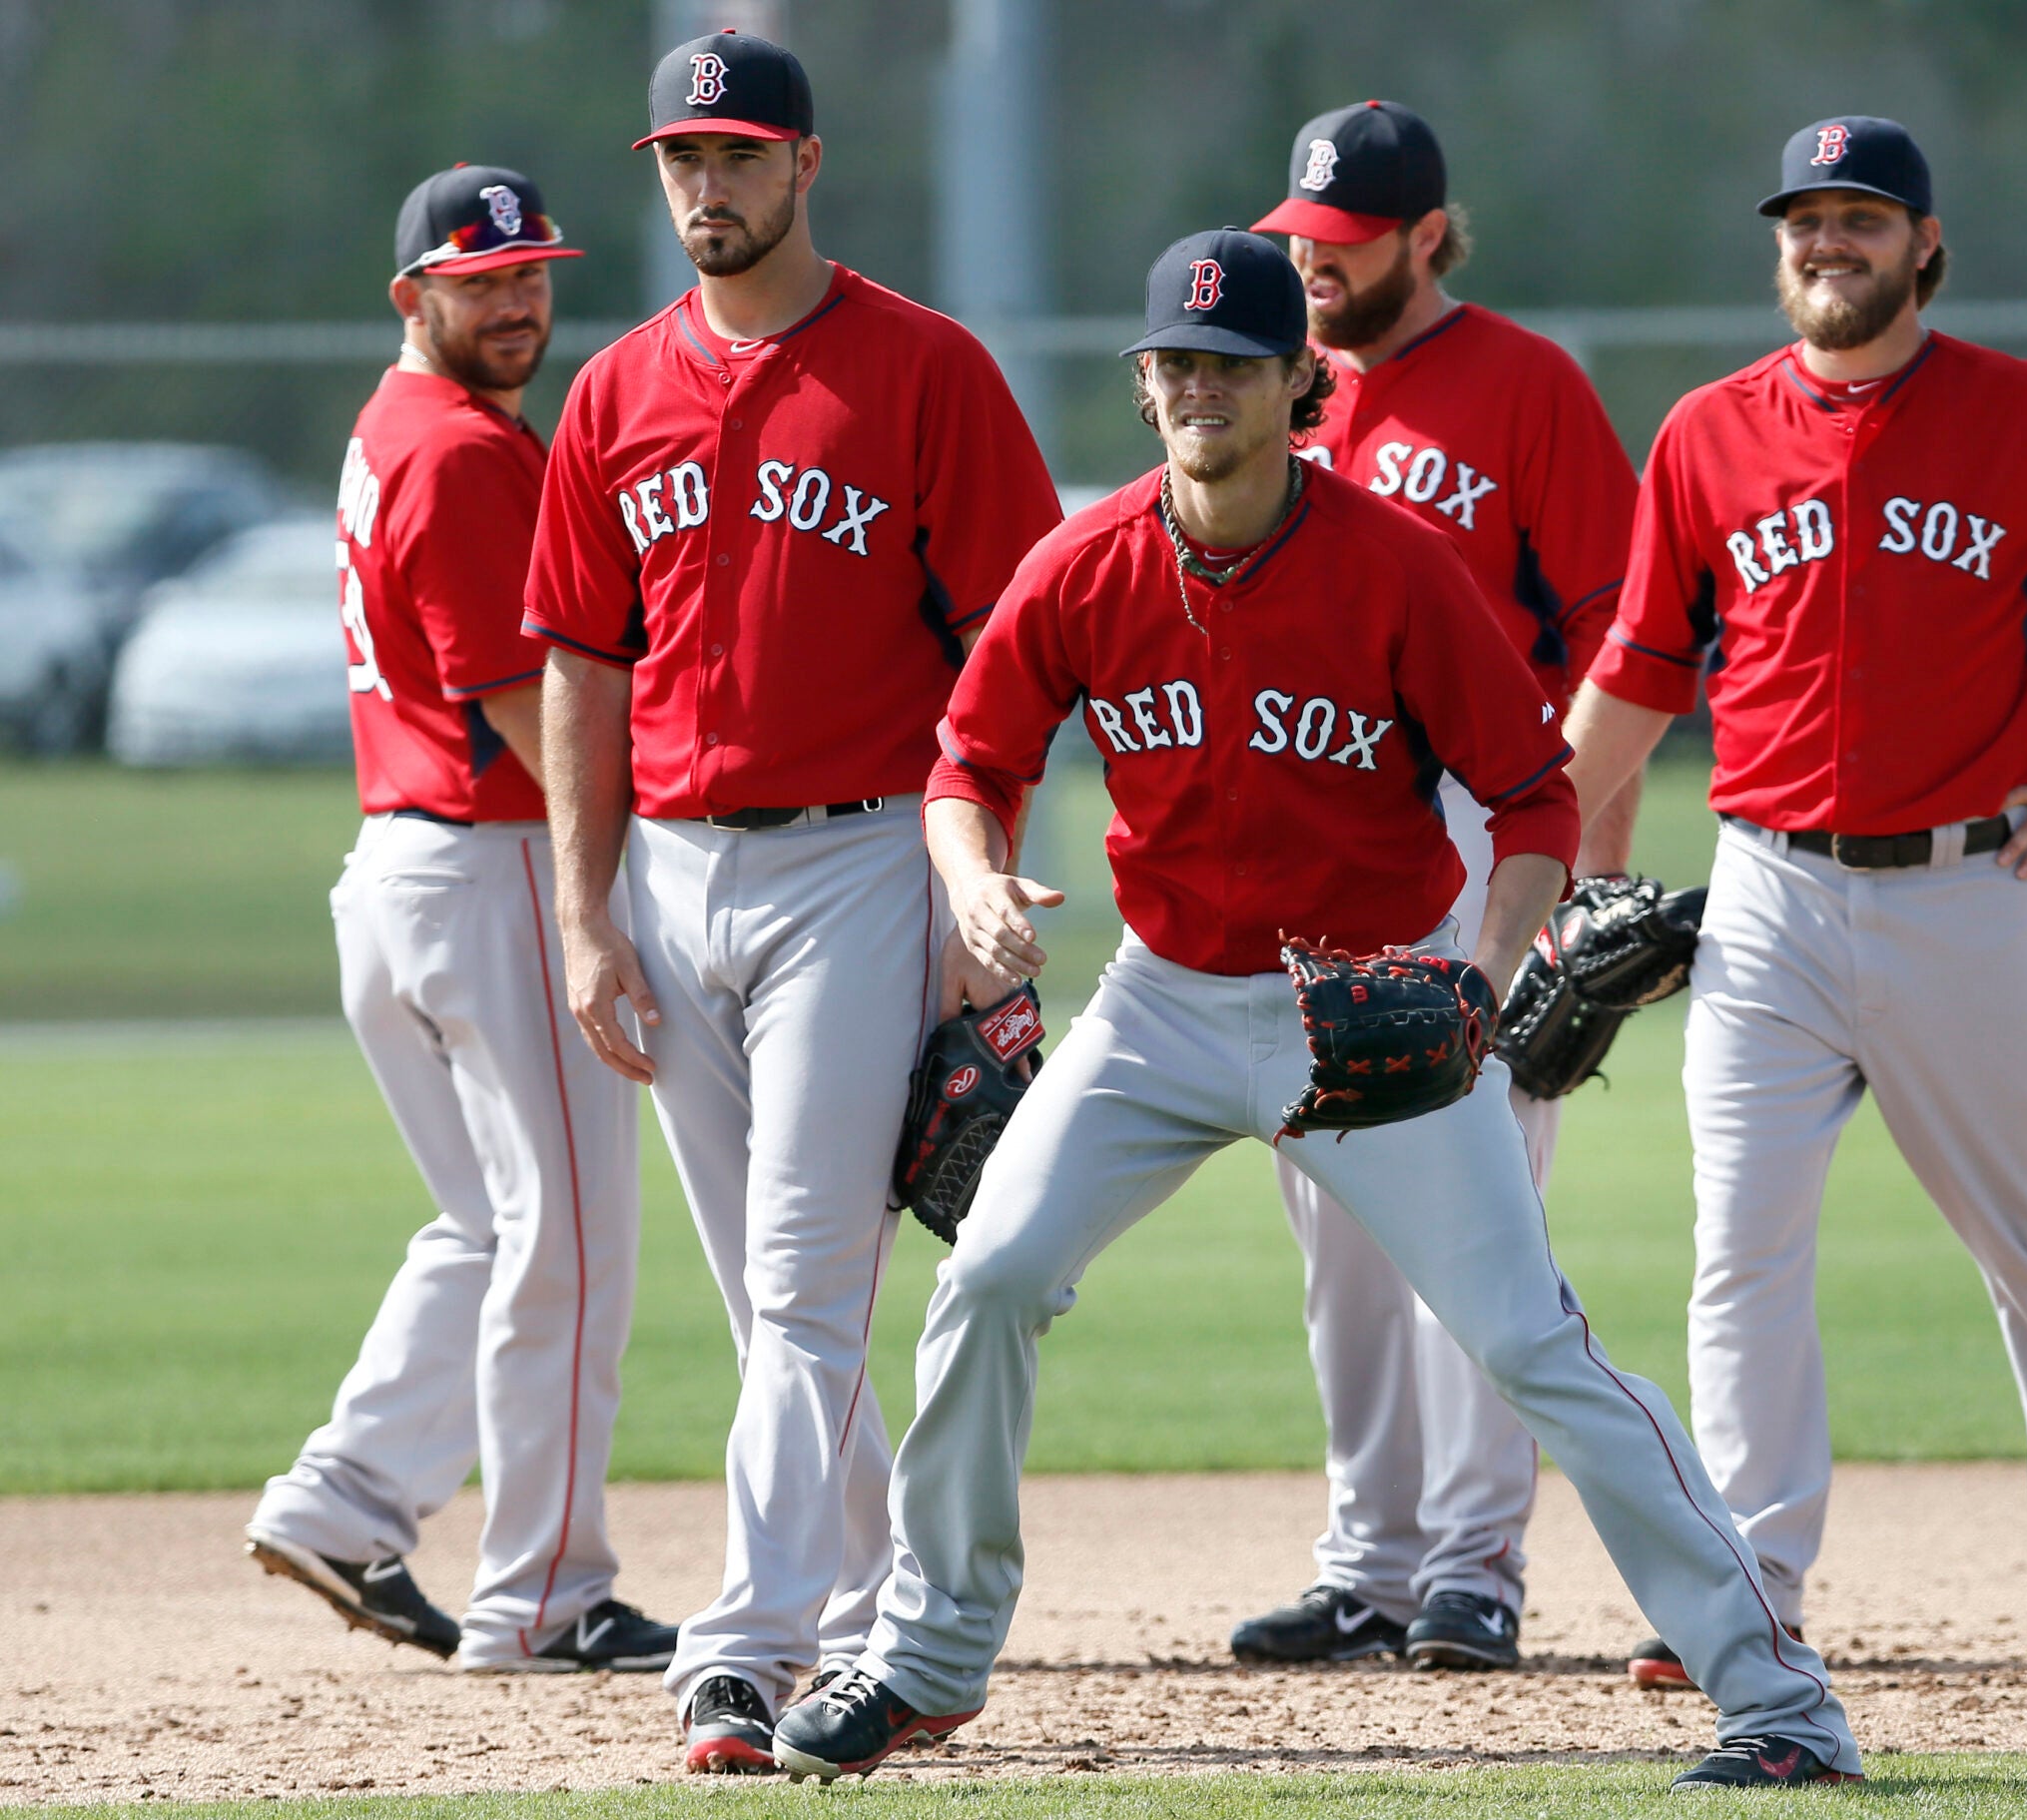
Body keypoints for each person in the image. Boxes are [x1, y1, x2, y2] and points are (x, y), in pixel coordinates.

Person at [766, 229, 1863, 1794]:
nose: (1202, 386)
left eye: (1237, 364)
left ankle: (1777, 1700)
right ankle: (929, 1658)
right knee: (993, 1274)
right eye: (1178, 363)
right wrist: (973, 881)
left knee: (1527, 1343)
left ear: (1302, 389)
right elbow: (970, 764)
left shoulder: (1394, 565)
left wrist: (1476, 983)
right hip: (1158, 1003)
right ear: (1145, 386)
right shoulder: (1086, 565)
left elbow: (1535, 800)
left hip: (1368, 993)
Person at [1563, 116, 2027, 1689]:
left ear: (1926, 245)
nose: (1829, 243)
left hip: (1970, 889)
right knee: (1741, 1249)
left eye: (1863, 219)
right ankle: (1747, 1582)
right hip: (1766, 894)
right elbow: (1635, 682)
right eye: (1806, 219)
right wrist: (1555, 871)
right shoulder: (1707, 433)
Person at [522, 32, 1057, 1774]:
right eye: (682, 157)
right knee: (769, 1303)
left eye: (738, 154)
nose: (707, 185)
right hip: (672, 871)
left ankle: (738, 1653)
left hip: (857, 855)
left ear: (806, 166)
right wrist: (588, 911)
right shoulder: (612, 394)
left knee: (809, 1281)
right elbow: (584, 668)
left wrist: (975, 873)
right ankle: (892, 1613)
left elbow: (1016, 648)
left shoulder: (923, 370)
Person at [246, 164, 679, 1675]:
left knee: (492, 1228)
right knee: (568, 1243)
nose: (517, 299)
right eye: (480, 277)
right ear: (413, 293)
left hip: (401, 871)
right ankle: (548, 1594)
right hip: (491, 873)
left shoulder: (392, 430)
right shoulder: (466, 457)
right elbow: (525, 714)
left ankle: (343, 1498)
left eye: (532, 272)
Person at [1231, 99, 1641, 1674]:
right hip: (1318, 840)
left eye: (1343, 249)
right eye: (1300, 246)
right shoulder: (1288, 388)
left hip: (1480, 835)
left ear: (1426, 235)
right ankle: (1370, 1565)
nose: (1314, 271)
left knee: (1476, 1214)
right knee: (1332, 1218)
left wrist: (1581, 869)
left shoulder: (1525, 387)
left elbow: (1623, 634)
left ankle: (1475, 1567)